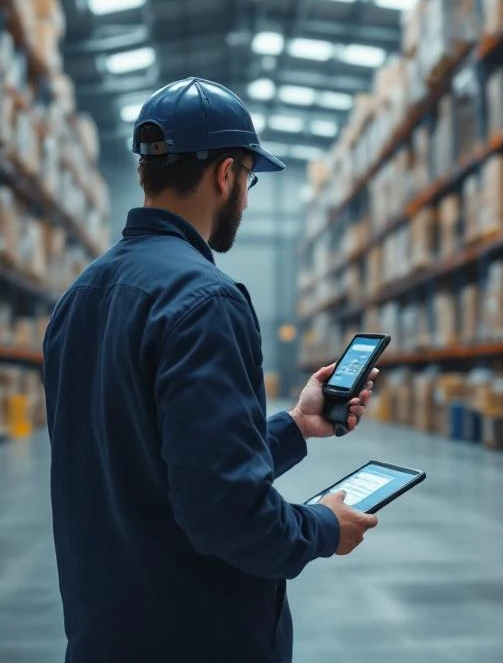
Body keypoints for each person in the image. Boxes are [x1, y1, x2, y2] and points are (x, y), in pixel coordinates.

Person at [42, 77, 380, 663]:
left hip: (107, 630)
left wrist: (296, 425)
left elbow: (157, 464)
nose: (245, 198)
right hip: (197, 632)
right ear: (226, 174)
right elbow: (224, 514)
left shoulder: (81, 296)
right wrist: (323, 528)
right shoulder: (205, 301)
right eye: (248, 180)